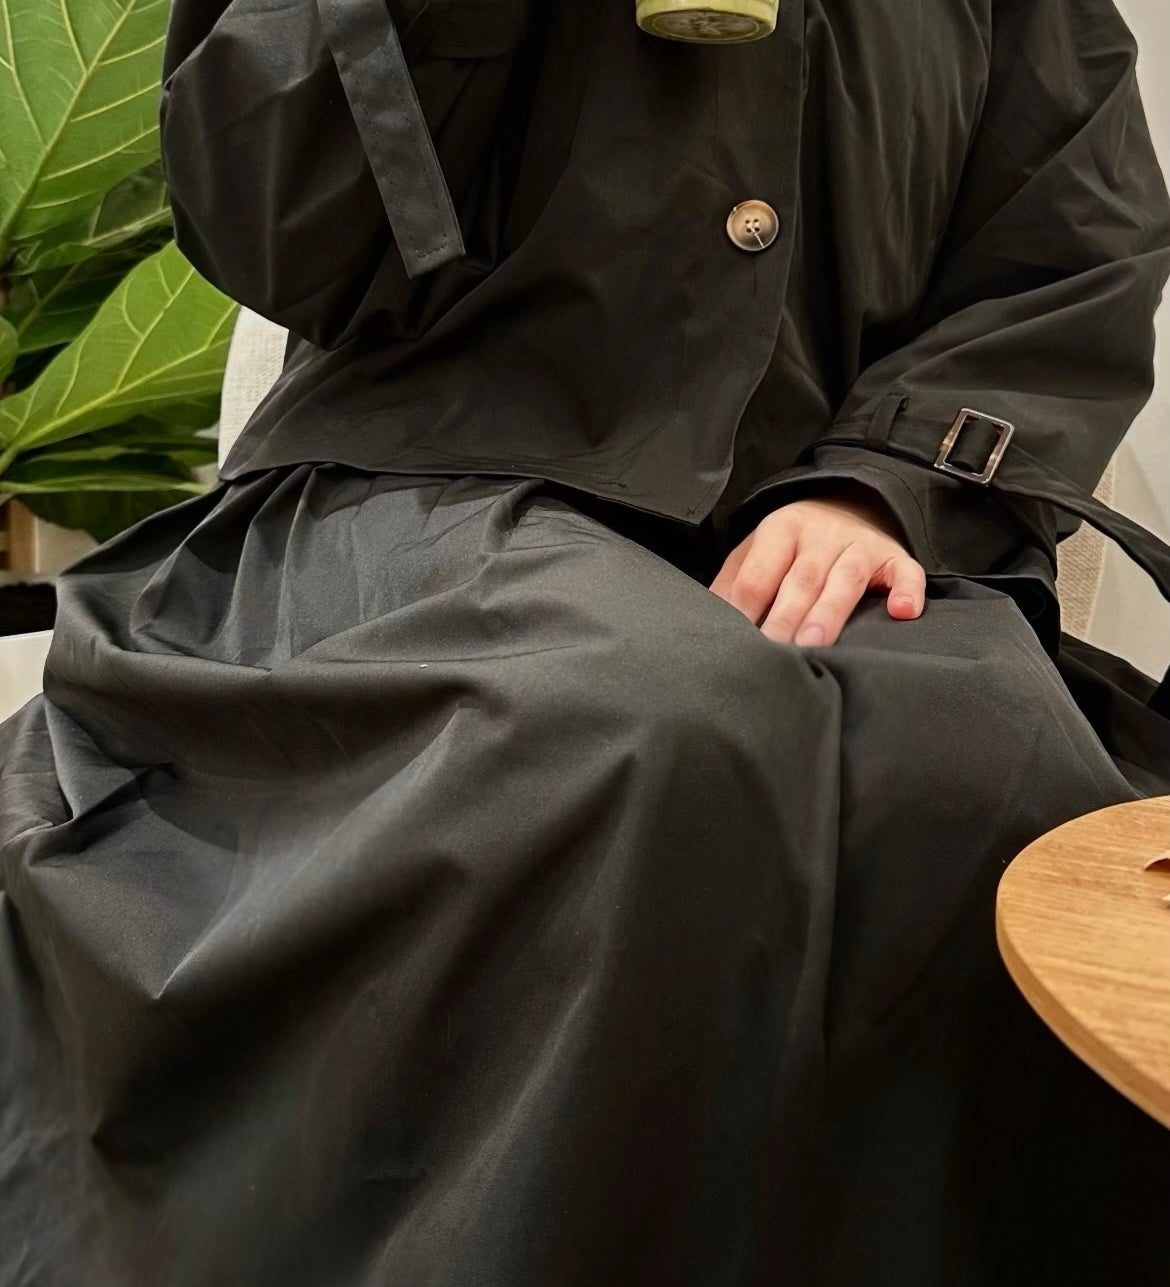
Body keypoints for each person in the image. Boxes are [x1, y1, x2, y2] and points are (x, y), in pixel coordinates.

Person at [2, 0, 1170, 1283]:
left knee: (1000, 775)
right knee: (648, 732)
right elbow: (272, 220)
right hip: (436, 488)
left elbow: (1076, 233)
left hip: (839, 514)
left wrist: (887, 481)